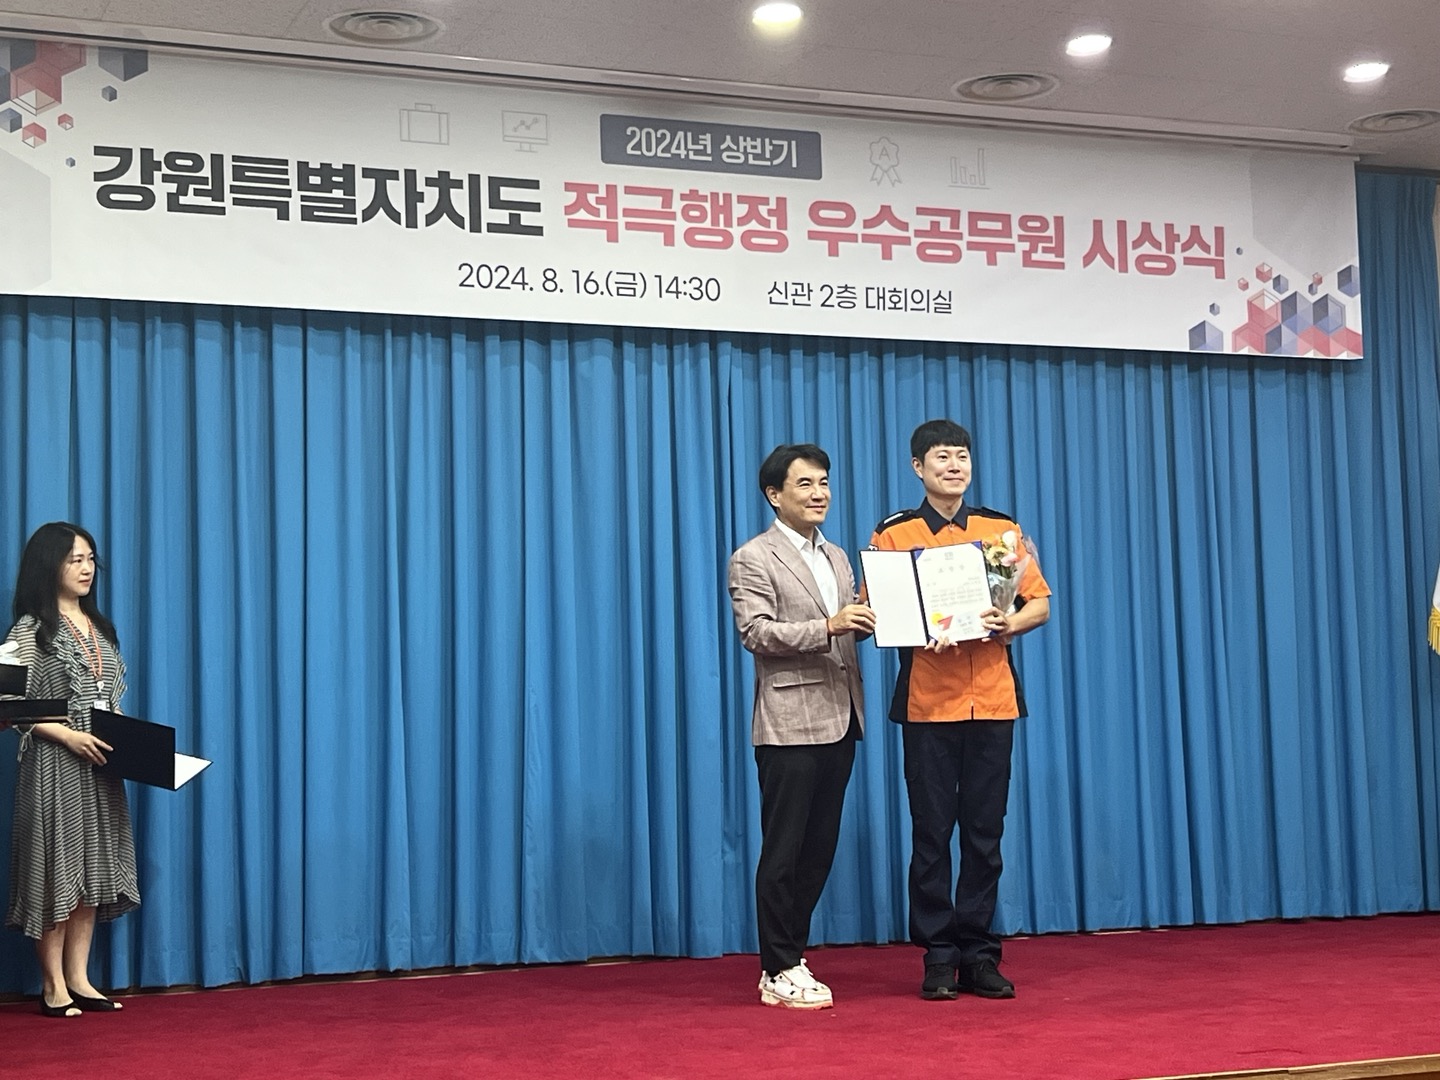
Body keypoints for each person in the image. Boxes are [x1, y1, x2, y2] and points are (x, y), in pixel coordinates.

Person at [869, 420, 1051, 1001]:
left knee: (984, 832)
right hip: (928, 704)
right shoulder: (894, 534)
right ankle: (937, 956)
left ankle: (979, 953)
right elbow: (878, 612)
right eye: (942, 457)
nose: (954, 466)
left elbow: (1039, 604)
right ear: (917, 467)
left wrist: (1008, 622)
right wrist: (914, 626)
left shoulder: (1000, 530)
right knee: (931, 833)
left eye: (962, 456)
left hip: (992, 700)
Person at [728, 443, 875, 1009]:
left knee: (819, 848)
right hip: (789, 723)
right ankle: (777, 966)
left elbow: (846, 627)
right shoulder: (753, 557)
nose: (820, 494)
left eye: (825, 483)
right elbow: (757, 633)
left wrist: (872, 619)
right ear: (775, 494)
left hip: (842, 715)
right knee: (784, 850)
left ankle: (792, 955)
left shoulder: (837, 555)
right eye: (806, 484)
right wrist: (830, 625)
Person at [3, 522, 138, 1017]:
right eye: (74, 559)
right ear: (49, 566)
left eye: (90, 559)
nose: (86, 569)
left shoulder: (100, 627)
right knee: (55, 868)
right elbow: (9, 706)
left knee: (94, 870)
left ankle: (80, 979)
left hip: (102, 764)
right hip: (54, 765)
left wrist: (126, 736)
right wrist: (67, 735)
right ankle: (53, 985)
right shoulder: (29, 630)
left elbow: (107, 694)